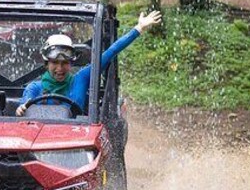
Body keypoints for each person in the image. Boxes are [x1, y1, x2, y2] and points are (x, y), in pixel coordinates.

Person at [16, 10, 162, 116]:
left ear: (71, 63)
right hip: (42, 143)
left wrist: (138, 28)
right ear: (46, 63)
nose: (60, 68)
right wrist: (21, 110)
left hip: (77, 143)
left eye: (65, 62)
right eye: (55, 62)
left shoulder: (81, 78)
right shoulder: (34, 88)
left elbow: (111, 51)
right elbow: (22, 108)